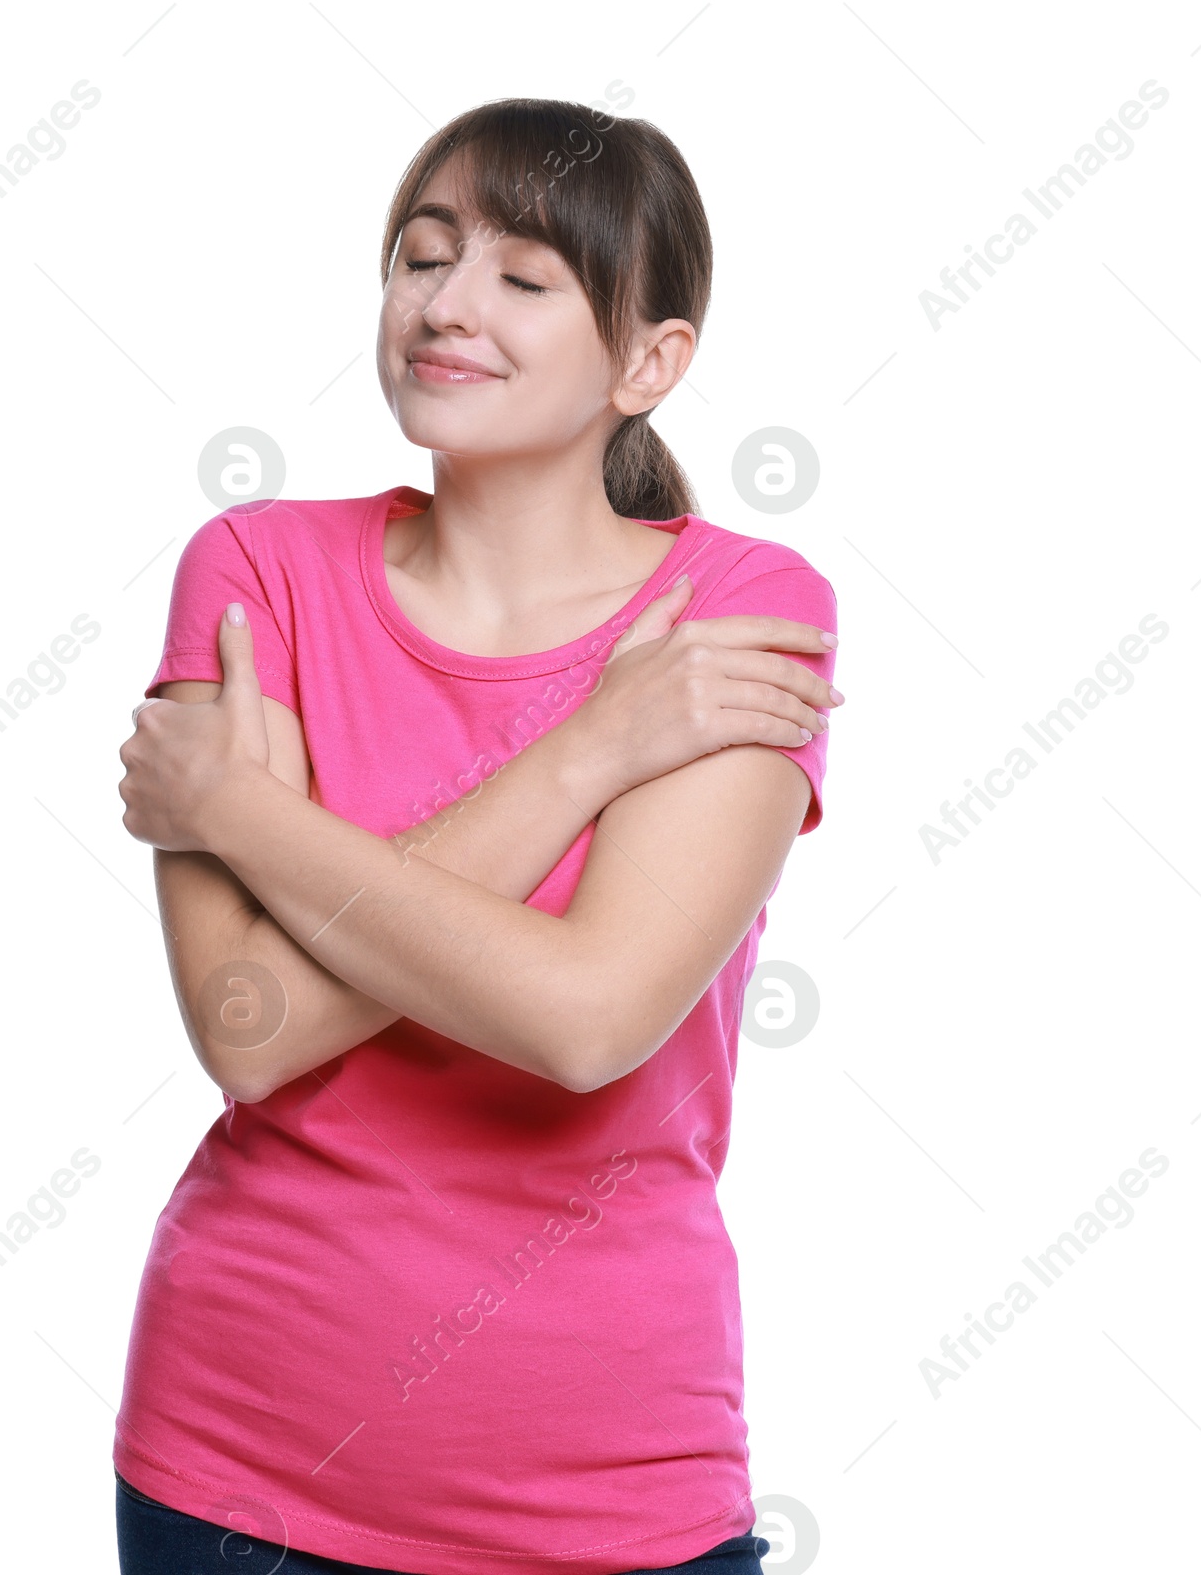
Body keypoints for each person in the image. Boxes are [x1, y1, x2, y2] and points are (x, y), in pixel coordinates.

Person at [113, 97, 842, 1575]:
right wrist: (593, 754)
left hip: (613, 1490)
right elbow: (251, 1030)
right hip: (238, 1471)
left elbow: (587, 1020)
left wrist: (242, 812)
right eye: (423, 257)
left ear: (650, 362)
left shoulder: (743, 611)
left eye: (524, 279)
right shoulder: (258, 567)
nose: (446, 304)